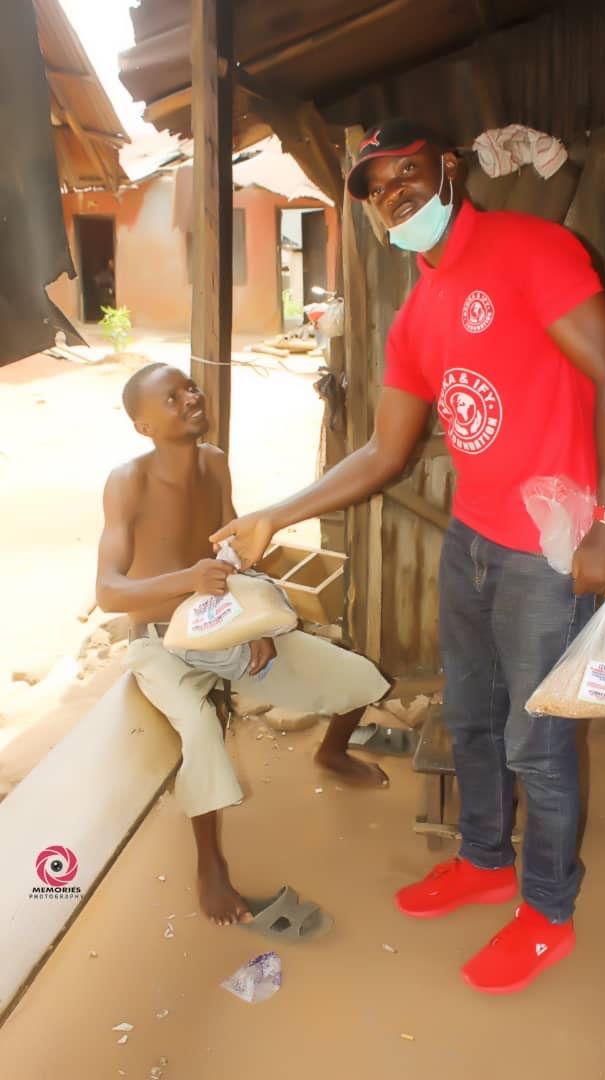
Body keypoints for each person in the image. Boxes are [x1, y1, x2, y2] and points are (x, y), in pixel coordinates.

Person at [211, 119, 605, 991]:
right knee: (474, 719)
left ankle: (548, 910)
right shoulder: (418, 311)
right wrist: (275, 514)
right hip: (474, 541)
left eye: (406, 171)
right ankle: (484, 861)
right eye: (375, 186)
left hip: (547, 552)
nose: (393, 191)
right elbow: (382, 454)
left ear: (448, 169)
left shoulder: (532, 248)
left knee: (540, 743)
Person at [95, 362, 389, 926]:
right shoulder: (127, 480)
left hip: (225, 628)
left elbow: (232, 554)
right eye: (171, 396)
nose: (189, 397)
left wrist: (255, 622)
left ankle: (331, 753)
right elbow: (109, 592)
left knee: (355, 678)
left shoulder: (215, 463)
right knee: (201, 730)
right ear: (144, 426)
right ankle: (210, 864)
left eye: (190, 387)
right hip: (160, 644)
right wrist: (188, 581)